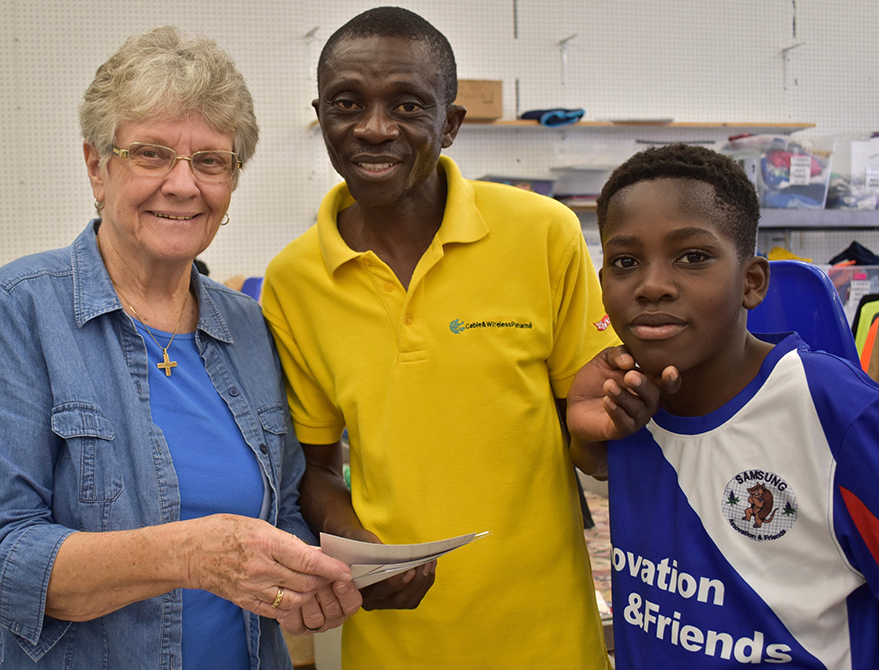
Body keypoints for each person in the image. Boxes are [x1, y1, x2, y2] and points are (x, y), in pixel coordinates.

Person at [0, 26, 360, 670]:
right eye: (152, 154)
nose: (183, 185)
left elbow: (281, 514)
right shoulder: (13, 312)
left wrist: (309, 578)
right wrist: (188, 554)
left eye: (211, 161)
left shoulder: (249, 327)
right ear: (95, 167)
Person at [260, 7, 617, 668]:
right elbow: (309, 468)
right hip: (390, 643)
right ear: (322, 116)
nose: (373, 128)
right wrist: (357, 547)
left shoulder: (543, 234)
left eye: (406, 105)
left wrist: (617, 421)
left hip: (548, 638)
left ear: (450, 125)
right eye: (347, 103)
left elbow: (593, 438)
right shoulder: (293, 280)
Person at [566, 143, 879, 668]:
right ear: (603, 287)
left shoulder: (837, 413)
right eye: (625, 262)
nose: (653, 286)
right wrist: (582, 442)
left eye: (692, 257)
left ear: (751, 282)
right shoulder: (623, 402)